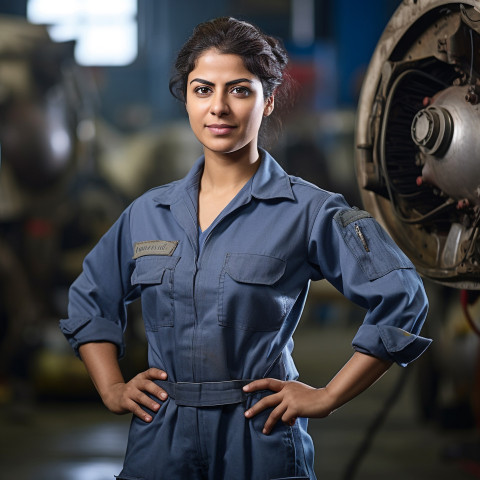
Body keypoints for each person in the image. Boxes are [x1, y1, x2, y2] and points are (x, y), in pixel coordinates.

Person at [60, 17, 431, 480]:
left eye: (239, 90)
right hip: (160, 437)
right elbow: (90, 298)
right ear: (186, 99)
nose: (218, 107)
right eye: (202, 90)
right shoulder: (146, 214)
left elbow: (402, 298)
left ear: (269, 99)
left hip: (258, 434)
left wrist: (327, 395)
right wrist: (112, 387)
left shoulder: (309, 211)